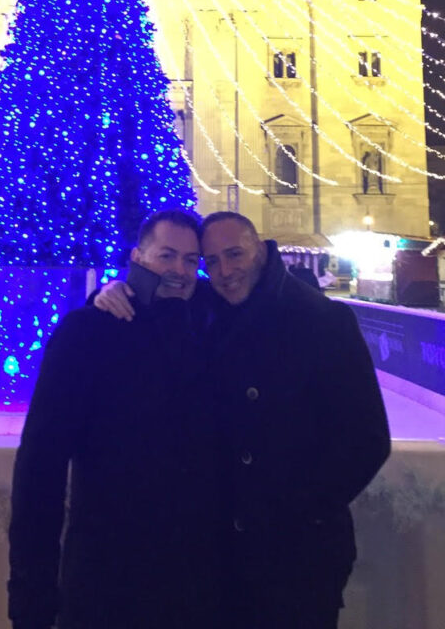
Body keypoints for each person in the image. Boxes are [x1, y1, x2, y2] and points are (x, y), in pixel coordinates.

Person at [97, 211, 391, 629]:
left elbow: (368, 439)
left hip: (297, 554)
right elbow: (157, 290)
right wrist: (112, 292)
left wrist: (297, 508)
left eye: (234, 254)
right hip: (220, 557)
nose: (225, 271)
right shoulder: (207, 305)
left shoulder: (322, 321)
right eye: (212, 261)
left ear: (261, 250)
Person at [7, 209, 227, 629]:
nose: (179, 271)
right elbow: (40, 467)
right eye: (166, 256)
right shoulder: (89, 332)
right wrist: (31, 597)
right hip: (108, 581)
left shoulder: (207, 329)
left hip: (195, 585)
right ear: (138, 257)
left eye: (190, 260)